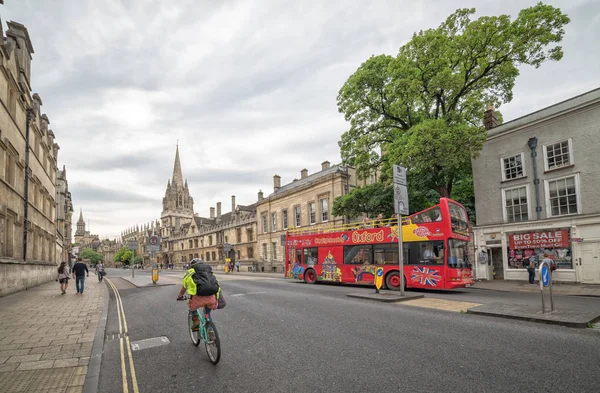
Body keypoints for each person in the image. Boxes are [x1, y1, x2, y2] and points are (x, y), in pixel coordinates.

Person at [176, 259, 219, 331]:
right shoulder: (209, 272)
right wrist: (218, 297)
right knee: (207, 313)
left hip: (197, 298)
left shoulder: (190, 272)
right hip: (211, 298)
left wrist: (180, 296)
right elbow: (215, 284)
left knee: (192, 307)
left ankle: (196, 320)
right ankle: (210, 330)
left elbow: (184, 287)